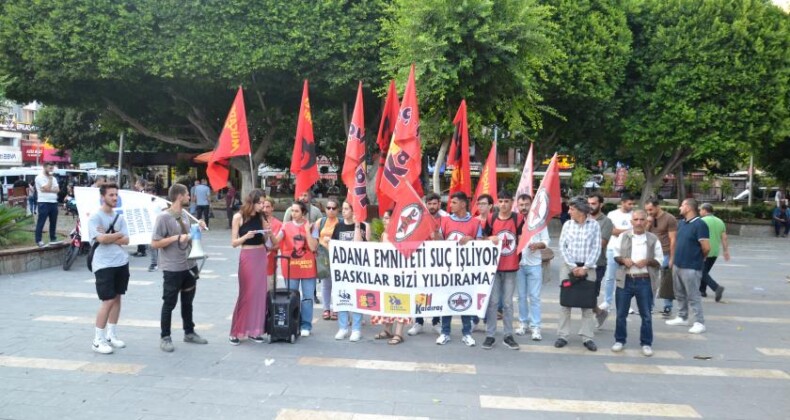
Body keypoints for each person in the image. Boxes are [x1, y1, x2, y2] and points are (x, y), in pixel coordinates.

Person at [151, 183, 209, 352]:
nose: (189, 197)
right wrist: (176, 238)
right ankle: (165, 336)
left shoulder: (184, 215)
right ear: (179, 196)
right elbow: (154, 243)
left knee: (188, 302)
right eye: (186, 194)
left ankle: (189, 332)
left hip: (189, 265)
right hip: (172, 267)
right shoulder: (163, 217)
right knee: (169, 302)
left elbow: (189, 238)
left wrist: (198, 229)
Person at [612, 210, 663, 357]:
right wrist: (623, 260)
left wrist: (647, 261)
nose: (639, 223)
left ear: (647, 222)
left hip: (645, 280)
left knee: (646, 315)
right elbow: (615, 255)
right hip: (626, 279)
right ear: (631, 221)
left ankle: (646, 343)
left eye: (642, 220)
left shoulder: (653, 239)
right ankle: (619, 340)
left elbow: (659, 260)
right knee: (621, 313)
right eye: (636, 220)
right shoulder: (623, 236)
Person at [436, 192, 483, 347]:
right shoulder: (444, 221)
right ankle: (445, 332)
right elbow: (438, 244)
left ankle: (467, 333)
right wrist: (434, 231)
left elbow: (482, 246)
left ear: (463, 204)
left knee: (465, 300)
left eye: (454, 202)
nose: (451, 205)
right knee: (446, 300)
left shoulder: (475, 223)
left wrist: (472, 240)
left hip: (466, 272)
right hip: (448, 270)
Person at [555, 196, 601, 352]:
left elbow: (596, 248)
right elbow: (562, 246)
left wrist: (585, 267)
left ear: (581, 210)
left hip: (589, 269)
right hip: (569, 268)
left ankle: (587, 337)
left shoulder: (594, 225)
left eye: (572, 209)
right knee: (565, 303)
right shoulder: (567, 225)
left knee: (587, 304)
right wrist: (574, 266)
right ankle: (562, 335)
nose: (569, 212)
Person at [89, 183, 130, 354]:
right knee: (107, 300)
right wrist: (116, 235)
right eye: (111, 195)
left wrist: (108, 236)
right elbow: (100, 239)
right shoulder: (95, 218)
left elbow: (126, 240)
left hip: (120, 261)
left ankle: (111, 335)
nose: (114, 198)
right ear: (102, 197)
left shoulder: (119, 218)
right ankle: (98, 339)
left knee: (118, 298)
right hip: (103, 264)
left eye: (116, 195)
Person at [483, 190, 526, 349]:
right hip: (494, 268)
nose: (503, 204)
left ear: (511, 202)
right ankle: (490, 335)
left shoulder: (519, 219)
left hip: (511, 267)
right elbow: (481, 238)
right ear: (497, 203)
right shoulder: (490, 218)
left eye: (506, 201)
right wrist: (489, 238)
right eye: (500, 201)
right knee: (493, 303)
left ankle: (508, 335)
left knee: (507, 303)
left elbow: (524, 238)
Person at [228, 188, 270, 345]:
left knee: (259, 294)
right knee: (246, 293)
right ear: (251, 202)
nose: (262, 206)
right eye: (260, 203)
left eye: (263, 203)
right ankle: (236, 331)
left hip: (260, 255)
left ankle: (255, 330)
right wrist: (246, 236)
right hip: (247, 255)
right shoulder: (238, 217)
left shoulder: (261, 217)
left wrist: (267, 231)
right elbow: (233, 243)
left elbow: (265, 240)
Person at [272, 201, 319, 337]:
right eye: (292, 210)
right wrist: (269, 234)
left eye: (296, 211)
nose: (293, 213)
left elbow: (313, 247)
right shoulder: (285, 226)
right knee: (292, 296)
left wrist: (307, 232)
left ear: (303, 212)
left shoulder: (312, 226)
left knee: (307, 297)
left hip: (307, 267)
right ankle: (294, 322)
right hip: (291, 267)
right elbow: (276, 242)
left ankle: (306, 325)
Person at [666, 199, 710, 334]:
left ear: (689, 208)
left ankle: (699, 322)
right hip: (678, 264)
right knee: (679, 293)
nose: (680, 207)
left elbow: (706, 248)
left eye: (682, 205)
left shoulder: (700, 224)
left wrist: (697, 258)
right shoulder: (682, 223)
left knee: (693, 295)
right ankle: (682, 316)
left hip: (691, 266)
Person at [329, 201, 369, 342]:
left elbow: (361, 246)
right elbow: (333, 247)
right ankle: (343, 327)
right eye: (343, 208)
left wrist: (357, 225)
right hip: (342, 270)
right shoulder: (338, 226)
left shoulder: (363, 226)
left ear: (353, 210)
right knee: (342, 298)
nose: (343, 211)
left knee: (357, 298)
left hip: (358, 270)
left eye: (347, 209)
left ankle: (356, 329)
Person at [407, 193, 444, 336]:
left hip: (438, 262)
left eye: (435, 204)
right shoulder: (418, 219)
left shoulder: (445, 219)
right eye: (430, 204)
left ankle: (436, 322)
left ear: (439, 204)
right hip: (421, 261)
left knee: (437, 292)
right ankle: (419, 322)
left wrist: (436, 235)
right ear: (426, 204)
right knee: (419, 291)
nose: (432, 207)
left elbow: (447, 240)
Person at [371, 210, 411, 345]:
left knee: (401, 302)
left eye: (387, 218)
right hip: (386, 274)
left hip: (400, 274)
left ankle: (399, 333)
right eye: (384, 218)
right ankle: (388, 329)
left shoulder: (402, 235)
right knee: (386, 300)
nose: (384, 220)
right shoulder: (384, 235)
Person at [599, 194, 634, 314]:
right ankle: (607, 301)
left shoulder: (634, 215)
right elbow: (612, 231)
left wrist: (621, 231)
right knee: (610, 277)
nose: (631, 206)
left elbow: (637, 231)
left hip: (628, 251)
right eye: (629, 203)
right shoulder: (612, 214)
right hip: (612, 249)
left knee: (625, 278)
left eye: (632, 204)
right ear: (623, 202)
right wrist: (629, 231)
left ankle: (625, 303)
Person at [645, 198, 678, 316]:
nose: (649, 212)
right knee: (650, 280)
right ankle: (649, 305)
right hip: (652, 253)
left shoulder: (669, 218)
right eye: (647, 210)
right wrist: (648, 222)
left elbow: (673, 239)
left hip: (665, 252)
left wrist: (672, 257)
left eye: (651, 209)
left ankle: (667, 306)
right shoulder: (648, 218)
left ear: (657, 206)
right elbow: (643, 234)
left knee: (666, 280)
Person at [588, 193, 614, 329]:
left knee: (590, 294)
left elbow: (602, 243)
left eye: (594, 203)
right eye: (589, 203)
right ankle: (599, 312)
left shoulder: (606, 222)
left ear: (601, 204)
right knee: (584, 293)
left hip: (598, 263)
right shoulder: (584, 218)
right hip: (582, 263)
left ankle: (594, 316)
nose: (590, 206)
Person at [315, 198, 340, 321]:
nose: (331, 210)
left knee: (336, 284)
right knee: (325, 284)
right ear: (325, 210)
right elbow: (314, 237)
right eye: (328, 208)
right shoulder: (321, 221)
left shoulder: (340, 223)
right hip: (323, 256)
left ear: (337, 210)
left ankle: (336, 309)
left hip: (337, 256)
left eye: (333, 208)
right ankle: (326, 309)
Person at [699, 203, 729, 301]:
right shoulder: (720, 221)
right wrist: (725, 251)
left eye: (700, 210)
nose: (699, 212)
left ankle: (716, 288)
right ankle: (702, 291)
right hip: (715, 251)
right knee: (705, 271)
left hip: (704, 250)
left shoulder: (701, 221)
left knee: (700, 271)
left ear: (704, 210)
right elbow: (724, 238)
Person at [34, 163, 61, 247]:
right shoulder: (39, 177)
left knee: (53, 221)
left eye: (52, 168)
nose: (51, 170)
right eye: (50, 168)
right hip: (43, 202)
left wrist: (48, 189)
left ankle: (53, 238)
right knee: (41, 222)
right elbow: (46, 188)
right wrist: (49, 180)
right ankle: (38, 240)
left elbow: (57, 190)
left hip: (53, 202)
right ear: (44, 167)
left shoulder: (54, 178)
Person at [262, 197, 283, 292]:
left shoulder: (278, 224)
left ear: (272, 208)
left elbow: (280, 244)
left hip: (270, 264)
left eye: (268, 207)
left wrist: (269, 248)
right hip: (256, 264)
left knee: (269, 293)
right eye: (263, 207)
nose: (265, 210)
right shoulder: (256, 222)